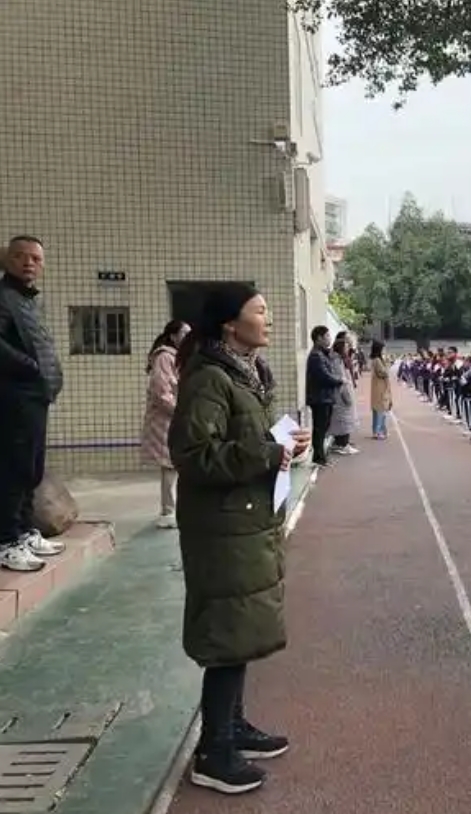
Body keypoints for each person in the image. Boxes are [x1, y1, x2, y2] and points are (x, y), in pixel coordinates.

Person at [169, 282, 311, 795]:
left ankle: (232, 726)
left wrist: (283, 442)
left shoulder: (245, 373)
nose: (269, 320)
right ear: (231, 324)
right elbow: (194, 455)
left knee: (242, 627)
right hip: (222, 525)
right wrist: (267, 452)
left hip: (244, 518)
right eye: (260, 311)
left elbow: (242, 440)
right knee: (230, 633)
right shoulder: (209, 378)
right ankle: (214, 752)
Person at [0, 236, 65, 572]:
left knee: (31, 467)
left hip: (35, 396)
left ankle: (25, 531)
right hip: (15, 396)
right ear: (6, 260)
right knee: (14, 468)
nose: (28, 263)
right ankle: (7, 541)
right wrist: (31, 368)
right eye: (20, 256)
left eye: (35, 258)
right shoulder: (4, 297)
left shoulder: (26, 300)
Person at [141, 319, 190, 528]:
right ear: (173, 336)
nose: (188, 337)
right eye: (184, 333)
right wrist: (180, 411)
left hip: (175, 416)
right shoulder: (164, 357)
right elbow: (162, 392)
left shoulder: (177, 357)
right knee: (170, 464)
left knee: (175, 464)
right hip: (166, 418)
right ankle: (169, 511)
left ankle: (174, 509)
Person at [305, 326, 343, 466]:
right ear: (319, 338)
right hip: (320, 398)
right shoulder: (316, 356)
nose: (329, 339)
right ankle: (319, 458)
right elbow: (324, 376)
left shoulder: (322, 354)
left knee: (323, 427)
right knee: (320, 428)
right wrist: (339, 380)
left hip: (324, 397)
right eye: (327, 336)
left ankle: (320, 456)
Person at [328, 335, 359, 455]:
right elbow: (341, 379)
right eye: (346, 347)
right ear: (341, 348)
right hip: (341, 395)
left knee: (343, 420)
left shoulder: (338, 360)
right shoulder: (336, 361)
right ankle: (342, 444)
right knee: (343, 420)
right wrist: (347, 395)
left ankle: (342, 443)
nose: (348, 349)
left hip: (341, 394)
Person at [370, 340, 392, 439]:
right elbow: (384, 373)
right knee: (380, 409)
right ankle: (378, 432)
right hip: (380, 387)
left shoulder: (376, 359)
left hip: (378, 386)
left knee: (378, 410)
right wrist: (388, 364)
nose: (384, 350)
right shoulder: (377, 360)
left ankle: (378, 430)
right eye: (383, 348)